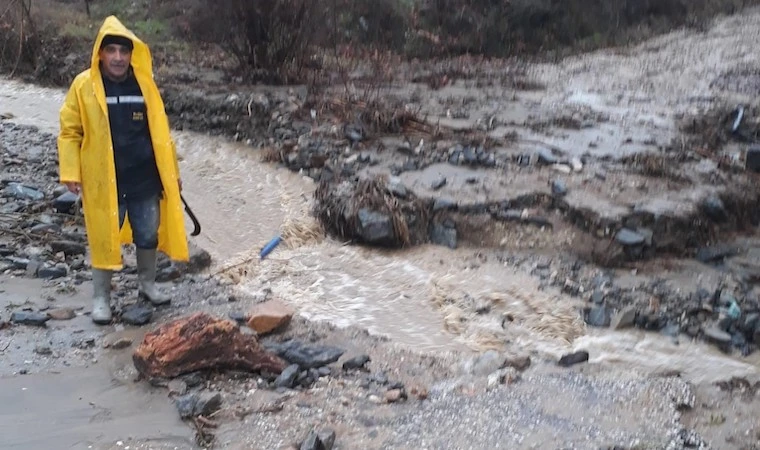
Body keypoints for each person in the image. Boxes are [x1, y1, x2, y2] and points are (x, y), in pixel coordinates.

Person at [57, 15, 189, 324]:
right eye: (111, 50)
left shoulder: (145, 84)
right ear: (100, 54)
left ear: (132, 54)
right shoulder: (83, 86)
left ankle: (147, 285)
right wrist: (71, 172)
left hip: (144, 178)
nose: (118, 57)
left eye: (123, 51)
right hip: (104, 180)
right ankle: (102, 298)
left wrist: (172, 172)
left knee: (147, 232)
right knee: (104, 237)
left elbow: (161, 131)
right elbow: (69, 132)